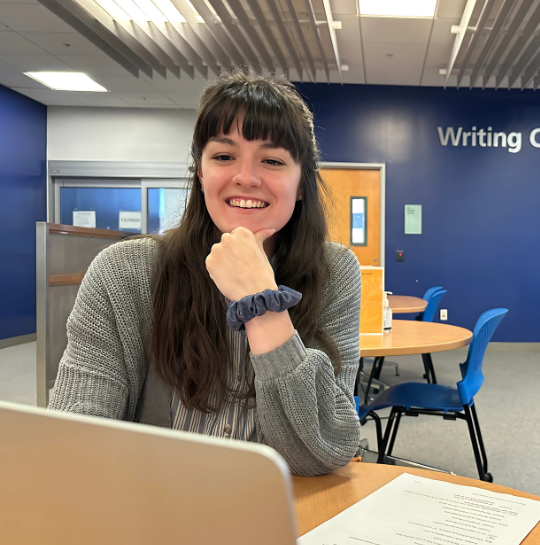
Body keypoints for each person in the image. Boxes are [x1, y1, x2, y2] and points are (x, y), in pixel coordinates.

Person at [50, 69, 361, 476]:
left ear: (301, 183)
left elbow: (327, 450)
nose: (246, 178)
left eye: (272, 160)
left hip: (282, 513)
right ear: (200, 171)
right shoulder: (124, 272)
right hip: (155, 512)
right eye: (223, 156)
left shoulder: (335, 273)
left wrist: (262, 304)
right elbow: (74, 442)